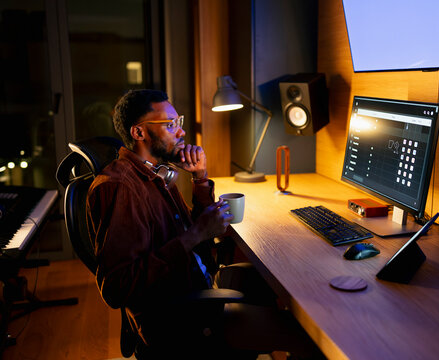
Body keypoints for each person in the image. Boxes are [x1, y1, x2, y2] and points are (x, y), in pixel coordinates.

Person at [86, 89, 323, 359]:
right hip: (178, 320)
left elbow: (191, 236)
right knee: (311, 337)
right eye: (170, 124)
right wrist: (197, 233)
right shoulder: (120, 188)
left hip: (197, 283)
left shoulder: (154, 173)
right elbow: (116, 289)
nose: (182, 133)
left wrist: (200, 179)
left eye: (180, 122)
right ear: (139, 133)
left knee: (275, 282)